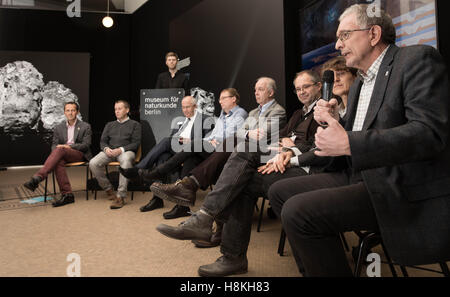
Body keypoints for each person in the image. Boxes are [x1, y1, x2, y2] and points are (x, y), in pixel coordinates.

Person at [268, 4, 450, 277]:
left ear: (373, 34)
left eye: (344, 36)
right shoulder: (361, 84)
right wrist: (334, 124)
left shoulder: (416, 60)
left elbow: (429, 134)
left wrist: (349, 143)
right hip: (357, 174)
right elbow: (353, 135)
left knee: (298, 212)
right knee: (279, 191)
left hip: (395, 183)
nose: (338, 46)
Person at [153, 70, 325, 276]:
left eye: (306, 87)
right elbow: (278, 135)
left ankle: (199, 206)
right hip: (275, 155)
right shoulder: (297, 113)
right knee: (238, 171)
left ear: (319, 86)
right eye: (298, 88)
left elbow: (317, 146)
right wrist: (282, 143)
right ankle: (229, 252)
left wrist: (291, 147)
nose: (301, 92)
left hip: (299, 165)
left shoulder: (324, 110)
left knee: (239, 153)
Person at [122, 88, 248, 219]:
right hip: (193, 148)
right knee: (165, 156)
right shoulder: (222, 115)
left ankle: (148, 171)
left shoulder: (238, 114)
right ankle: (172, 203)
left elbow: (231, 137)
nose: (220, 101)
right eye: (183, 107)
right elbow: (213, 135)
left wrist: (203, 141)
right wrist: (207, 140)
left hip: (218, 151)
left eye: (223, 98)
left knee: (179, 144)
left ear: (233, 99)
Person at [126, 96, 213, 213]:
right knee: (162, 156)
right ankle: (157, 199)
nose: (185, 110)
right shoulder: (182, 120)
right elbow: (173, 137)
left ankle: (139, 169)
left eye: (188, 107)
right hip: (177, 150)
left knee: (167, 142)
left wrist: (189, 141)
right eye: (183, 107)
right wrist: (177, 139)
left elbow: (208, 142)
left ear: (195, 106)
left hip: (193, 152)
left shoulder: (206, 119)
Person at [23, 102, 92, 207]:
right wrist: (60, 151)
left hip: (79, 154)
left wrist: (69, 147)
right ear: (64, 112)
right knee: (58, 160)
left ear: (77, 112)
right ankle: (67, 194)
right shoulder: (59, 128)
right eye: (68, 110)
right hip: (62, 154)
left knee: (61, 149)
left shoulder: (85, 126)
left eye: (73, 110)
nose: (70, 113)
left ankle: (38, 177)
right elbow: (54, 145)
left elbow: (86, 145)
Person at [89, 100, 141, 210]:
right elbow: (103, 141)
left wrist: (121, 150)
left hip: (125, 151)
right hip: (110, 151)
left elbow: (136, 143)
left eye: (119, 109)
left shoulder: (135, 125)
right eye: (115, 109)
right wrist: (106, 149)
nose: (116, 111)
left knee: (126, 161)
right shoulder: (110, 125)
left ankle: (120, 196)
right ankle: (108, 189)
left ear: (127, 110)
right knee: (93, 163)